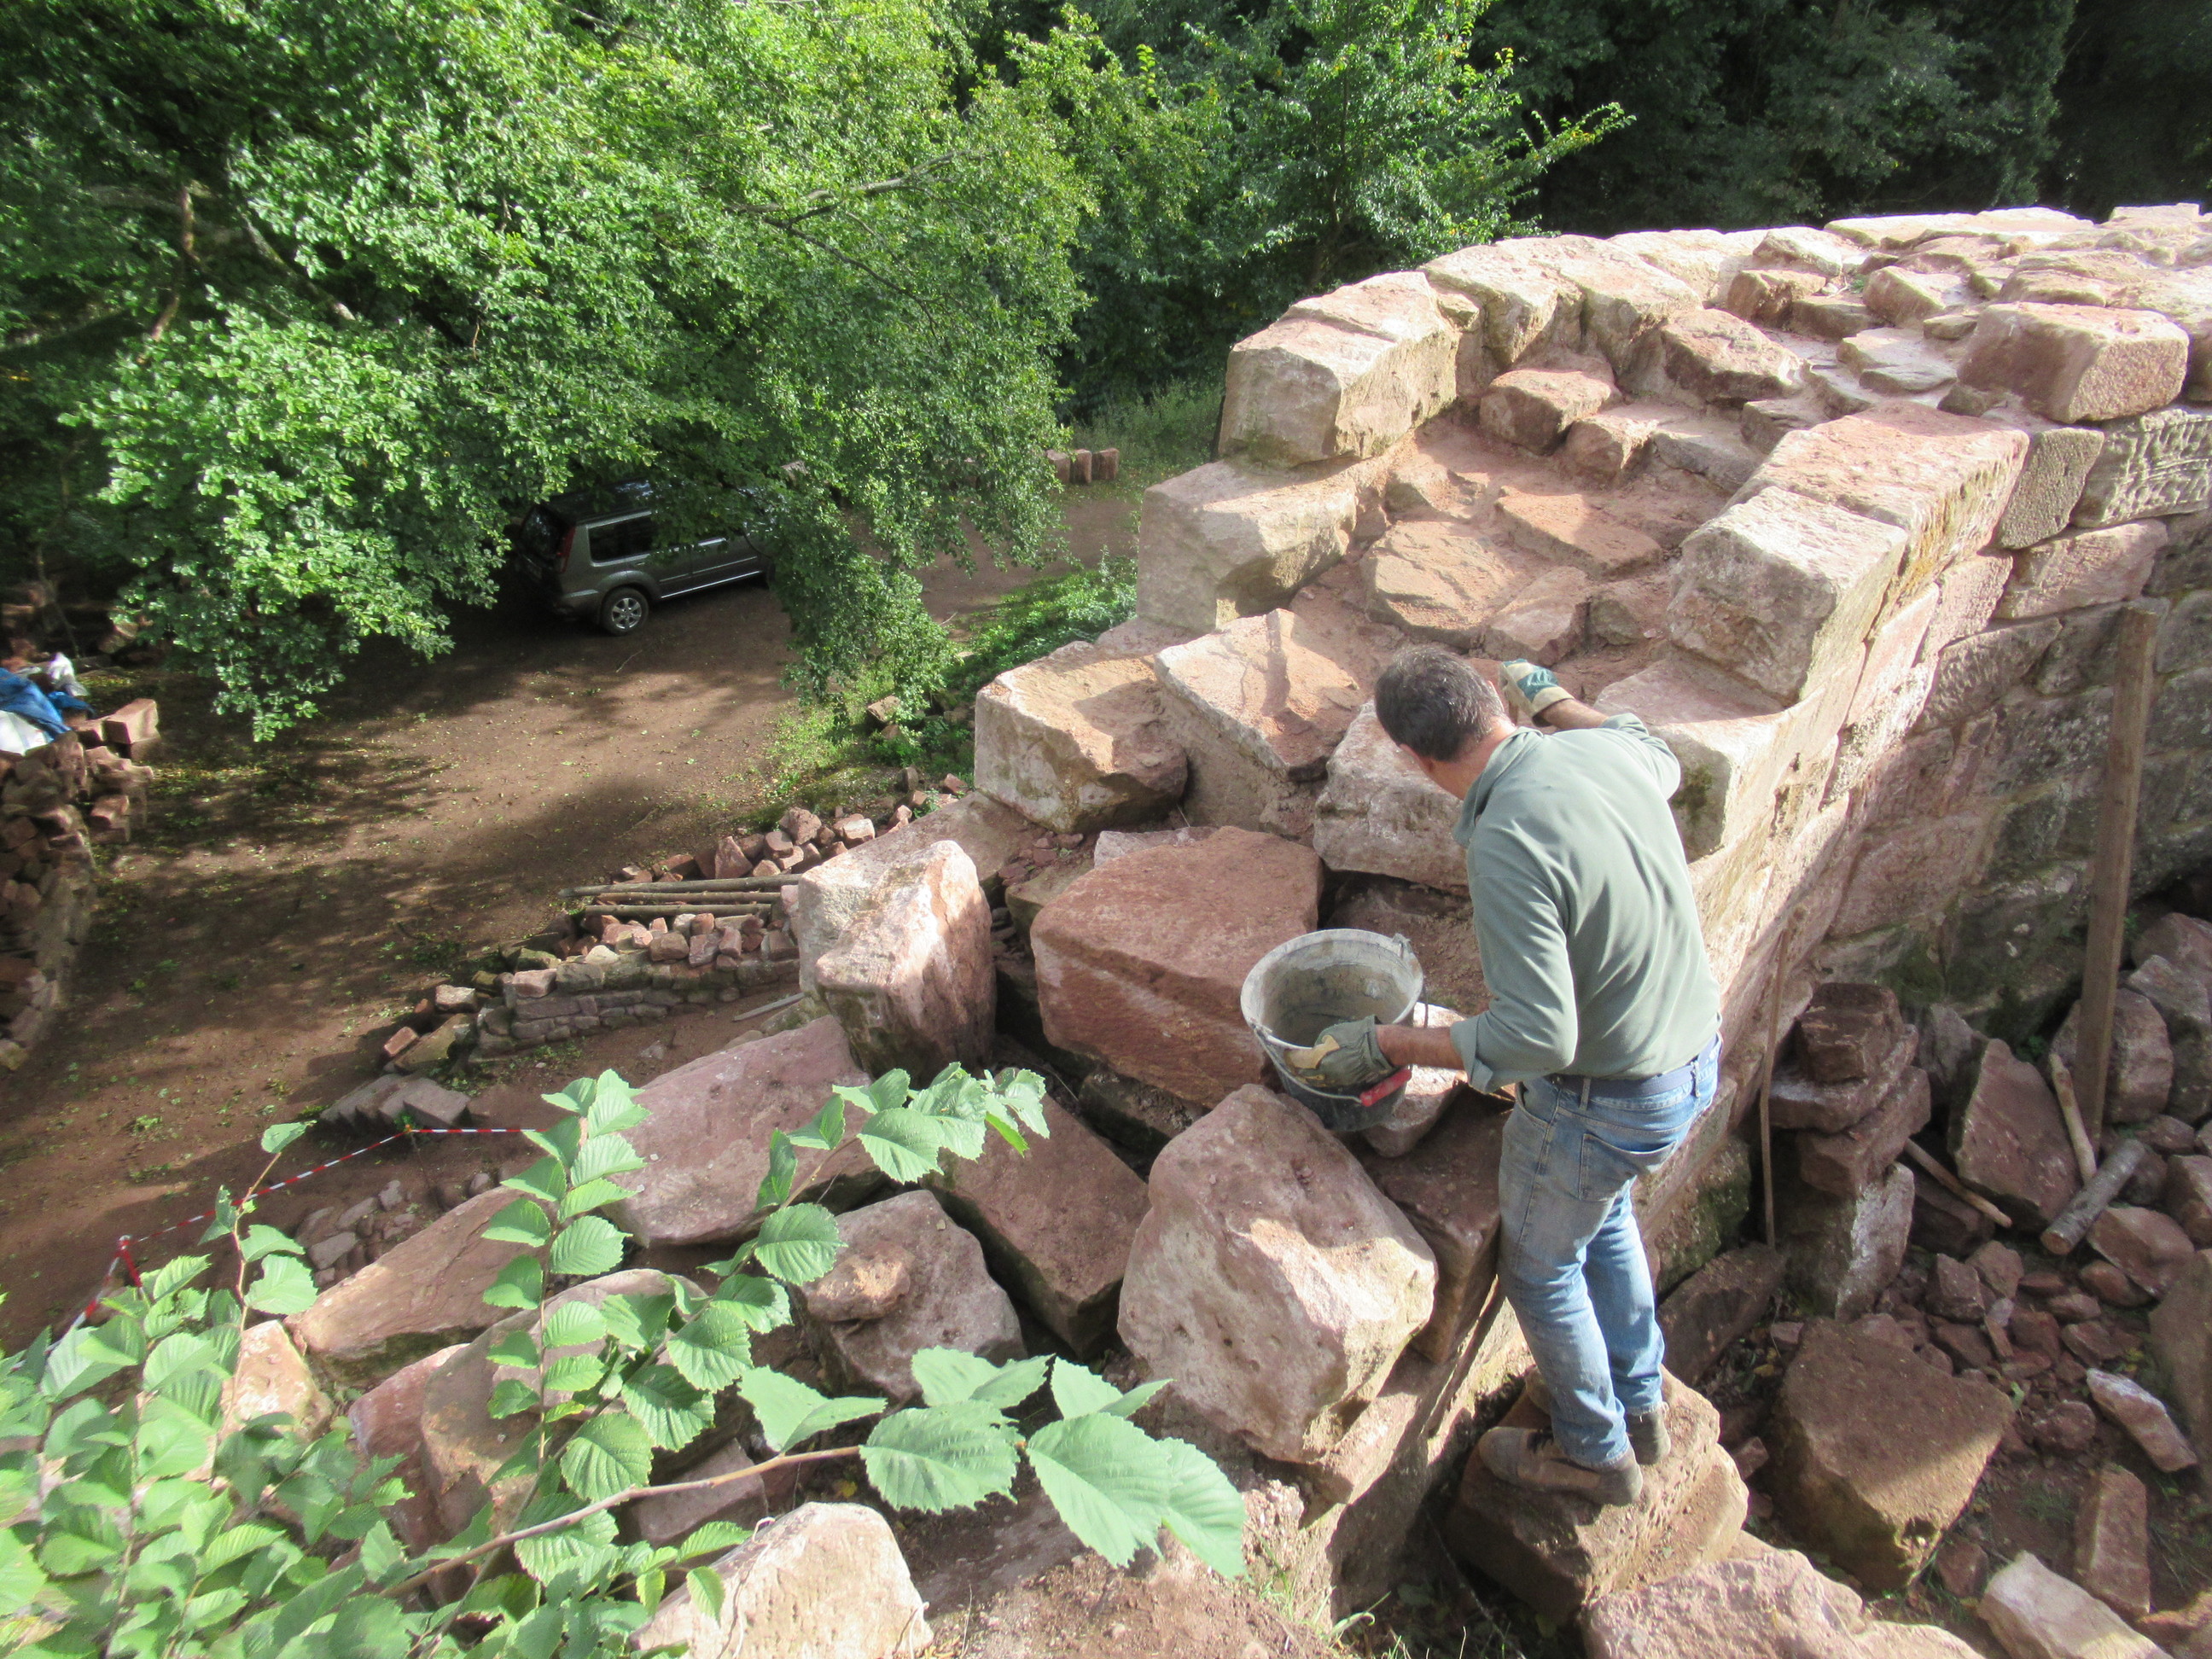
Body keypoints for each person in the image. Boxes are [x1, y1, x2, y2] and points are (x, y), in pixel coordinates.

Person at [1284, 647, 1720, 1507]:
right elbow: (1654, 747)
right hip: (1689, 1057)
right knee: (1603, 1216)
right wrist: (1555, 699)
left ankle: (1596, 1455)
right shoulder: (1605, 750)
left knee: (1543, 1270)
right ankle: (1639, 1405)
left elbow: (1536, 1039)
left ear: (1414, 757)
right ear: (1494, 700)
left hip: (1606, 1100)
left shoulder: (1507, 839)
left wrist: (1388, 1043)